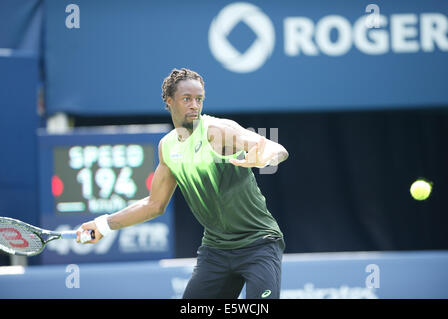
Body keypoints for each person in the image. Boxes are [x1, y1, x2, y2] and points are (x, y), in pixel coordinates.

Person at [77, 68, 289, 299]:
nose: (194, 105)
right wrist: (103, 225)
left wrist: (266, 155)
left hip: (259, 244)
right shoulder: (167, 147)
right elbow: (153, 205)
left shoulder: (217, 132)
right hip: (216, 250)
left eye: (199, 99)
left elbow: (274, 147)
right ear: (169, 102)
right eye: (187, 99)